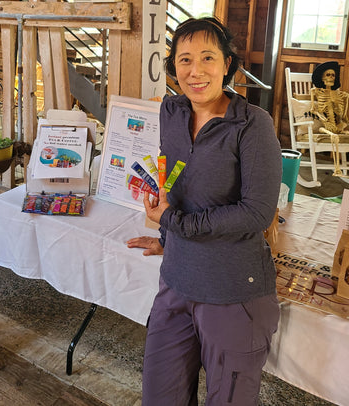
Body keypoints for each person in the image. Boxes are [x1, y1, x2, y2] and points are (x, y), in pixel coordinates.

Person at [127, 17, 282, 405]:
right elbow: (175, 184)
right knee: (160, 396)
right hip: (176, 282)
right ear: (173, 68)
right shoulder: (172, 113)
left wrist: (173, 223)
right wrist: (168, 238)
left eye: (208, 58)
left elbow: (256, 214)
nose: (195, 71)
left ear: (227, 64)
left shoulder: (252, 125)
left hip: (233, 292)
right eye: (184, 60)